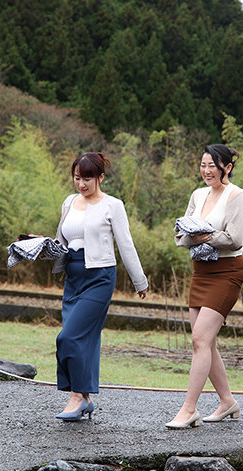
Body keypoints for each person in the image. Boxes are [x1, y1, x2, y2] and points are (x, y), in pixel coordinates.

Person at [53, 152, 148, 421]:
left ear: (100, 177)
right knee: (85, 339)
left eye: (87, 179)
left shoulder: (113, 205)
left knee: (68, 337)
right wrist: (39, 245)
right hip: (73, 279)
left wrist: (139, 280)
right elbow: (62, 241)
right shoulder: (69, 202)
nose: (81, 184)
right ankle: (84, 398)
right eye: (77, 178)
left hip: (99, 278)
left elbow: (125, 244)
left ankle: (76, 396)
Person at [167, 144, 243, 429]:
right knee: (206, 342)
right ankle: (227, 402)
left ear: (227, 167)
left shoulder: (236, 195)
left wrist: (203, 236)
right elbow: (181, 235)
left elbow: (235, 239)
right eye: (203, 165)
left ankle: (189, 409)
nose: (206, 171)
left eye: (212, 165)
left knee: (199, 340)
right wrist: (198, 237)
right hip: (200, 271)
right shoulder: (197, 194)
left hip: (227, 271)